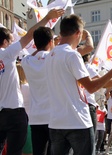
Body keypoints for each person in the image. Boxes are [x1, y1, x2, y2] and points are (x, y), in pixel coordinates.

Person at [44, 14, 112, 155]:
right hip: (76, 120)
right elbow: (91, 87)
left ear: (61, 32)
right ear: (78, 34)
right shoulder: (72, 55)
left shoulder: (49, 55)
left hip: (56, 122)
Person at [0, 9, 64, 155]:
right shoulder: (6, 53)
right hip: (14, 111)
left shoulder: (21, 59)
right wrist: (47, 17)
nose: (12, 44)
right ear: (5, 42)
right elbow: (30, 35)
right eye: (10, 41)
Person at [21, 27, 55, 155]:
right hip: (53, 116)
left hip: (35, 117)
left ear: (35, 44)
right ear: (51, 42)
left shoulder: (26, 61)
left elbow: (32, 55)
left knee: (38, 152)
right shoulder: (53, 58)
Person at [16, 63, 33, 155]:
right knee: (28, 151)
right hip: (29, 121)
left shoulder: (15, 88)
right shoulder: (28, 87)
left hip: (16, 121)